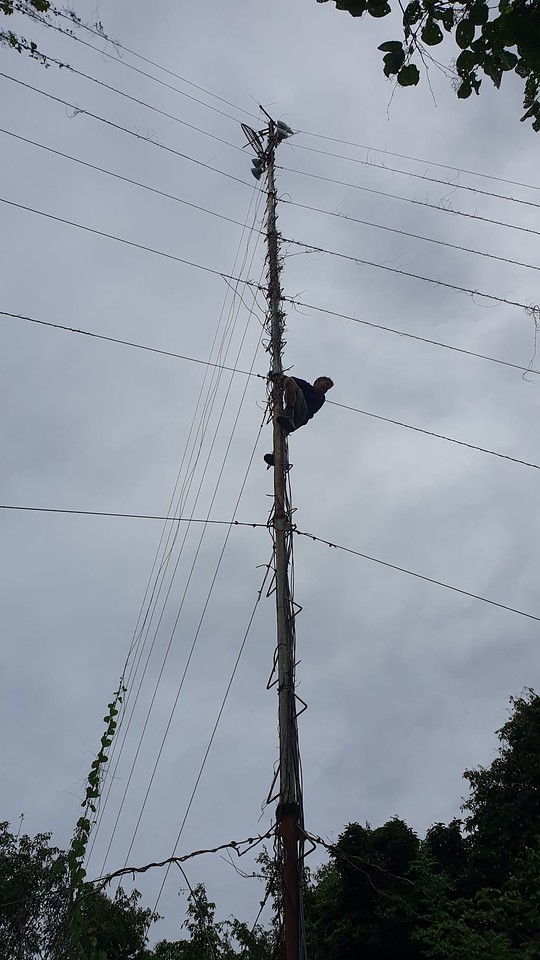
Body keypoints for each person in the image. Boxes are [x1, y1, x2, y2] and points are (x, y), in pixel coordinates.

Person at [264, 375, 334, 467]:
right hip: (296, 418)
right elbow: (294, 381)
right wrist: (278, 379)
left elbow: (291, 381)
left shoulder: (319, 396)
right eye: (326, 384)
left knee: (289, 381)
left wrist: (280, 378)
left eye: (328, 388)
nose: (326, 388)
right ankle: (280, 457)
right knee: (280, 429)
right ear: (318, 381)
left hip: (301, 415)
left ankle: (289, 415)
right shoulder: (308, 387)